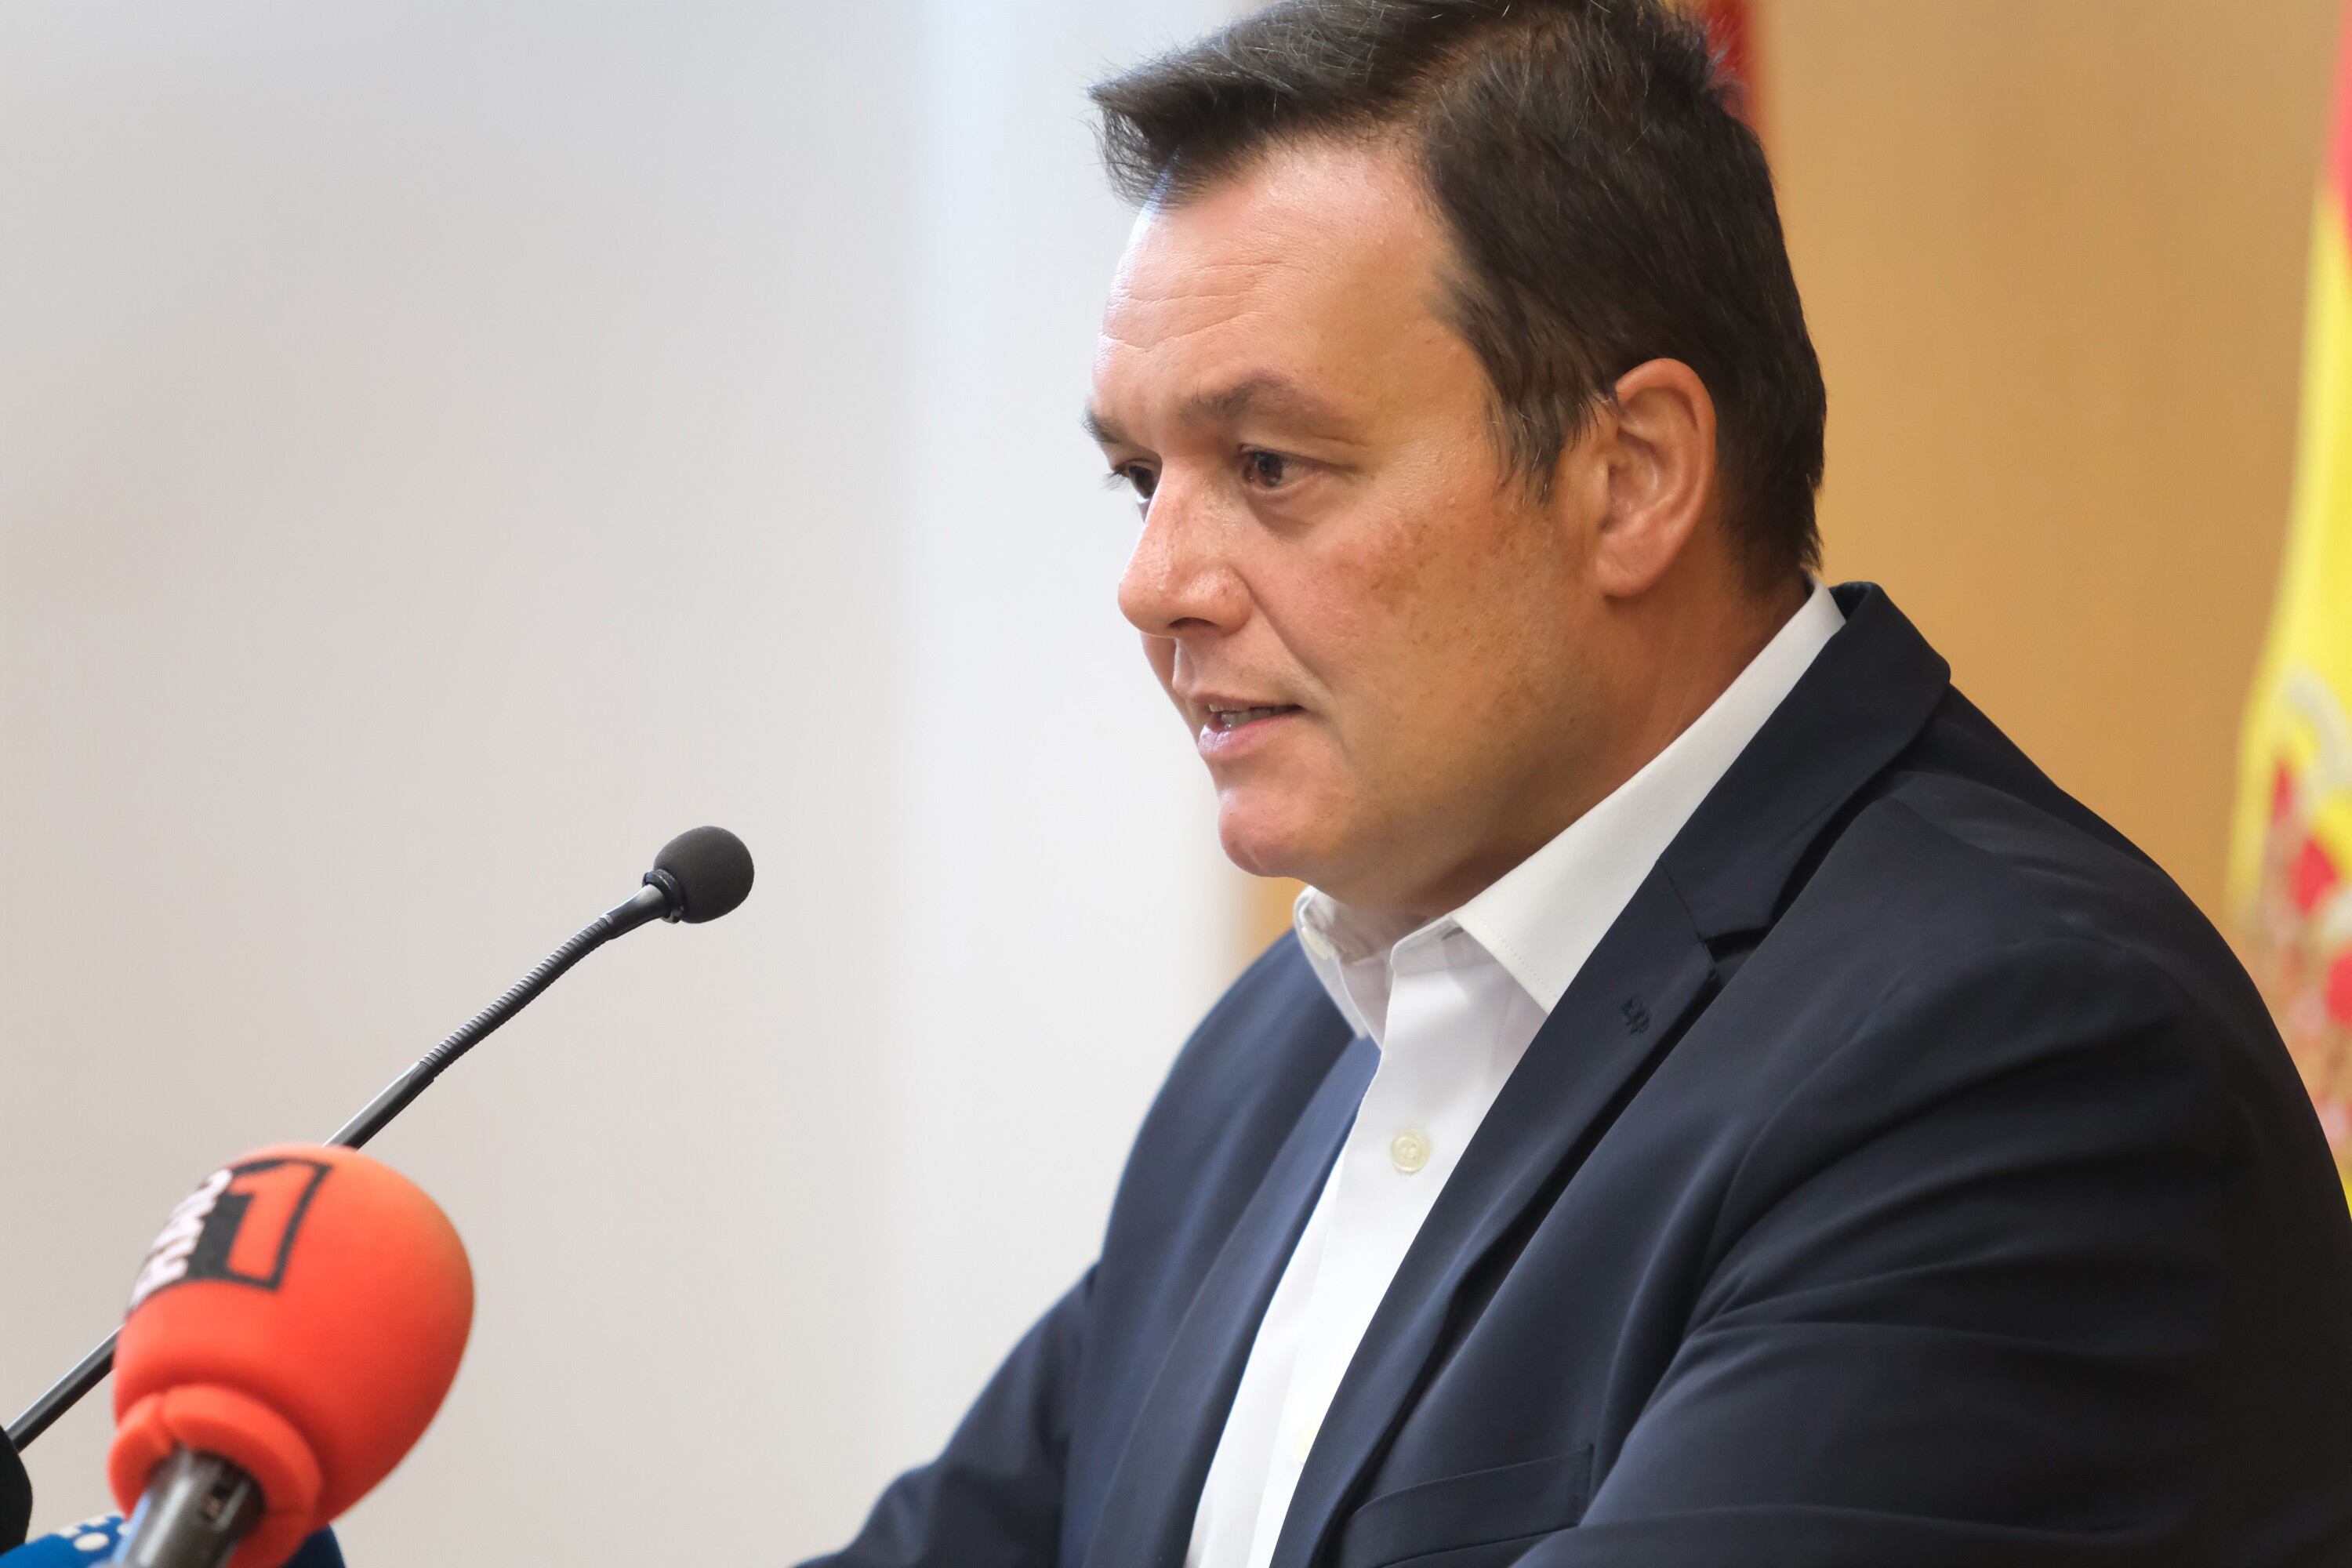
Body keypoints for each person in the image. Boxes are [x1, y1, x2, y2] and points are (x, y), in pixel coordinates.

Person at [808, 2, 2352, 1563]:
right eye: (1143, 480)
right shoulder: (1274, 1056)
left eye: (1271, 466)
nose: (1153, 585)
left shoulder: (2016, 1054)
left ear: (1631, 479)